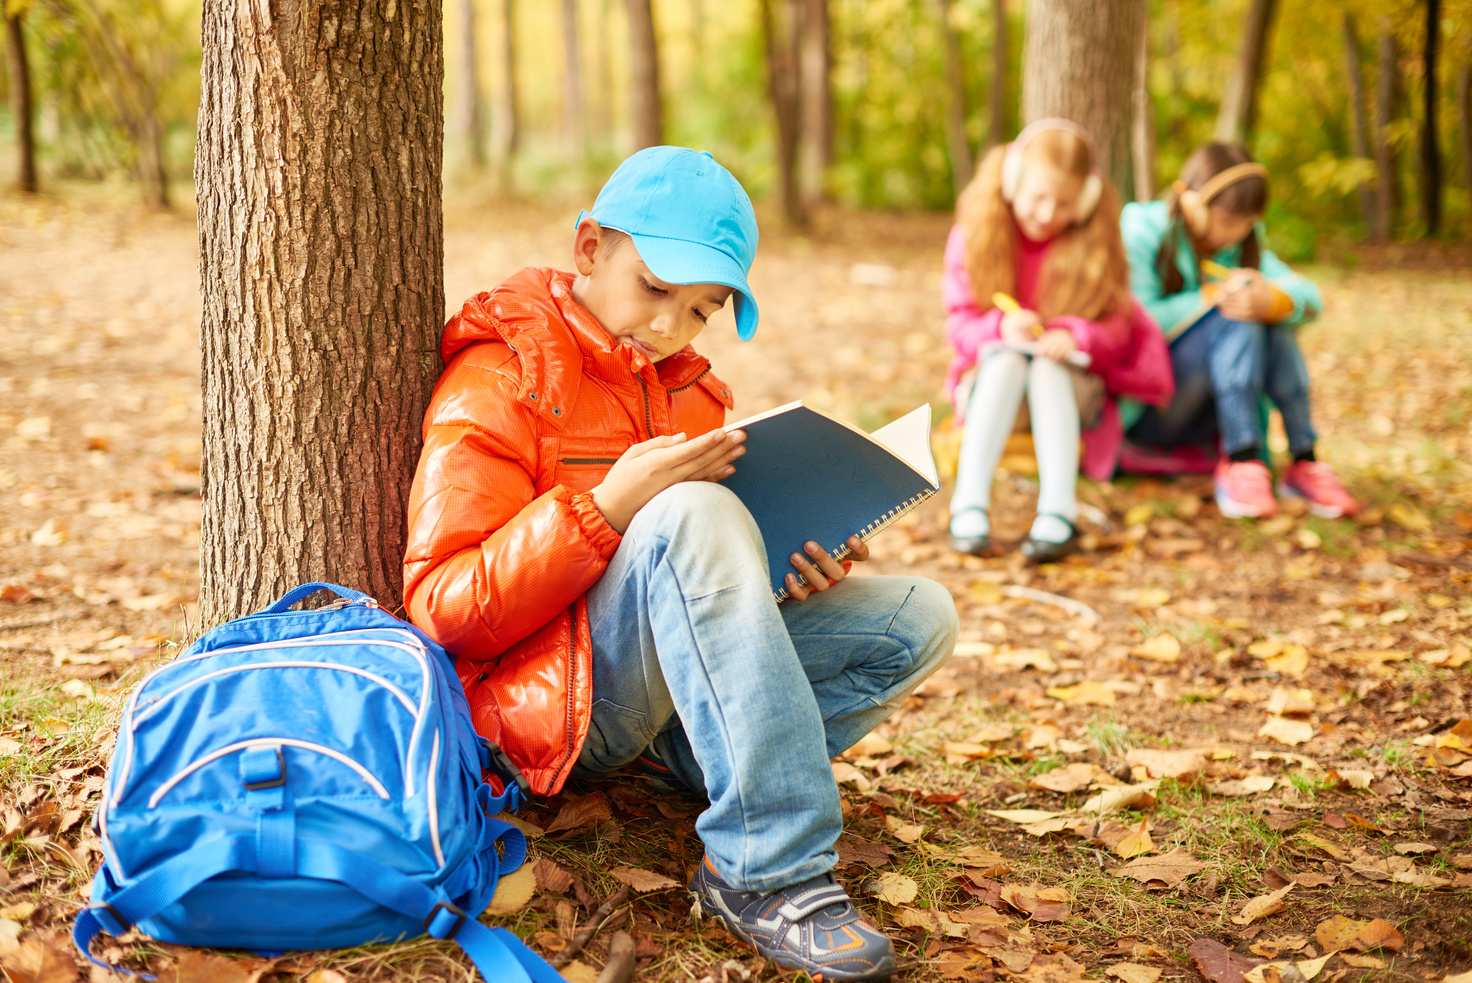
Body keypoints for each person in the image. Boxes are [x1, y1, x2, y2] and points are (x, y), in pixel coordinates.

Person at [401, 146, 957, 983]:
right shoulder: (503, 373)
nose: (669, 327)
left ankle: (698, 763)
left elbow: (701, 579)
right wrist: (603, 510)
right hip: (550, 701)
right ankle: (767, 870)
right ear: (590, 247)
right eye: (655, 288)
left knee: (916, 617)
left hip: (662, 700)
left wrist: (793, 561)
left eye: (701, 309)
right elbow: (444, 604)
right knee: (689, 512)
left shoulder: (694, 392)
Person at [943, 119, 1174, 561]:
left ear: (1085, 200)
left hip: (1069, 395)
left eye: (1064, 203)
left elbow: (1119, 330)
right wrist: (999, 329)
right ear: (1012, 181)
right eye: (1038, 198)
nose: (1048, 214)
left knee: (1048, 366)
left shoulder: (1098, 243)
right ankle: (968, 503)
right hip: (993, 390)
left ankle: (1057, 510)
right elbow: (958, 325)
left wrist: (1077, 335)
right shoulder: (973, 235)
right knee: (1008, 358)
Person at [1120, 143, 1360, 519]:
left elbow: (1309, 297)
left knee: (1266, 311)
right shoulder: (1142, 230)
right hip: (1156, 407)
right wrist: (1212, 297)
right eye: (1230, 220)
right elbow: (1139, 322)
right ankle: (1242, 458)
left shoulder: (1244, 239)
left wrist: (1274, 302)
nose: (1240, 232)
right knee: (1236, 311)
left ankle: (1304, 458)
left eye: (1249, 221)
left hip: (1209, 410)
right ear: (1193, 204)